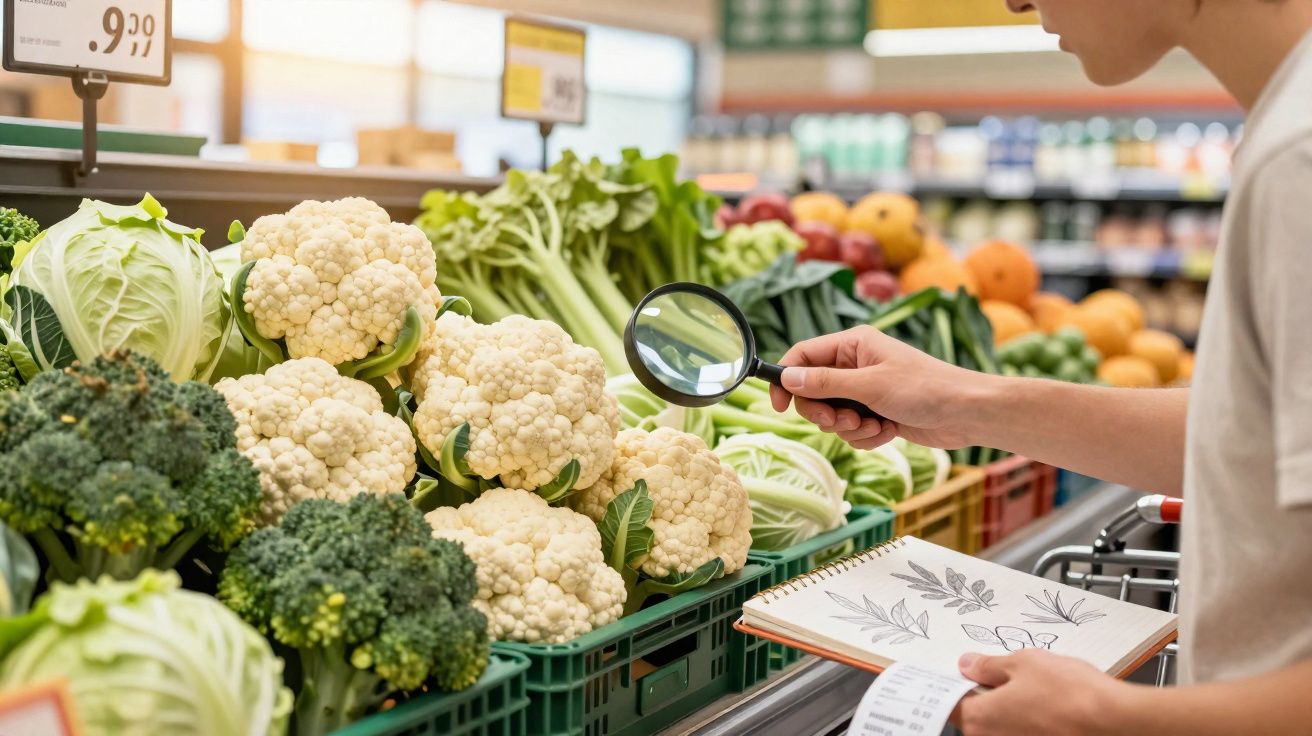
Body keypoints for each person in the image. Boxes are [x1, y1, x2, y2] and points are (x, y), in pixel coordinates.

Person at [769, 1, 1312, 733]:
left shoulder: (1297, 158)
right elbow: (1250, 440)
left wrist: (1110, 718)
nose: (1015, 1)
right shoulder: (1284, 132)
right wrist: (963, 401)